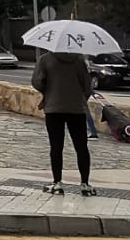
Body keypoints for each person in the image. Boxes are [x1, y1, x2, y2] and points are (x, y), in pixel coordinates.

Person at [32, 48, 96, 195]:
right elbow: (87, 86)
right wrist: (79, 99)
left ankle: (57, 183)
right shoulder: (79, 60)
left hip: (54, 109)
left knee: (56, 146)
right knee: (81, 147)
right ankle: (85, 183)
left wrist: (47, 92)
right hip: (76, 109)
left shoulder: (45, 59)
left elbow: (37, 82)